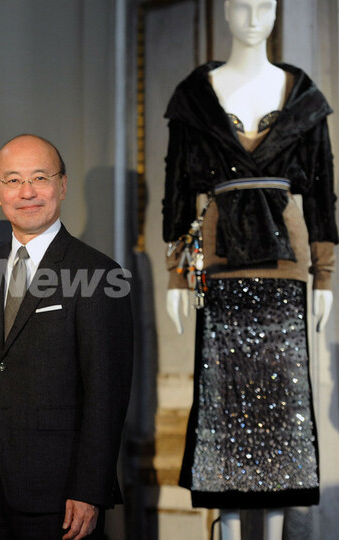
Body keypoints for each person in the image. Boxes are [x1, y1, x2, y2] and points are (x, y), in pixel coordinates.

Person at [163, 1, 337, 538]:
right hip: (220, 269)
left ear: (278, 11)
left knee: (285, 409)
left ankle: (280, 526)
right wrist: (175, 275)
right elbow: (176, 194)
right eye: (241, 3)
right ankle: (230, 529)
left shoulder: (304, 99)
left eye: (265, 3)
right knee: (223, 403)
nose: (253, 15)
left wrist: (325, 278)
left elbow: (323, 195)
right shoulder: (195, 98)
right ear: (224, 12)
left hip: (285, 273)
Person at [0, 134, 134, 539]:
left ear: (62, 185)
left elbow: (106, 394)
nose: (27, 192)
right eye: (13, 180)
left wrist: (89, 490)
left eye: (40, 177)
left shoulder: (99, 274)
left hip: (60, 493)